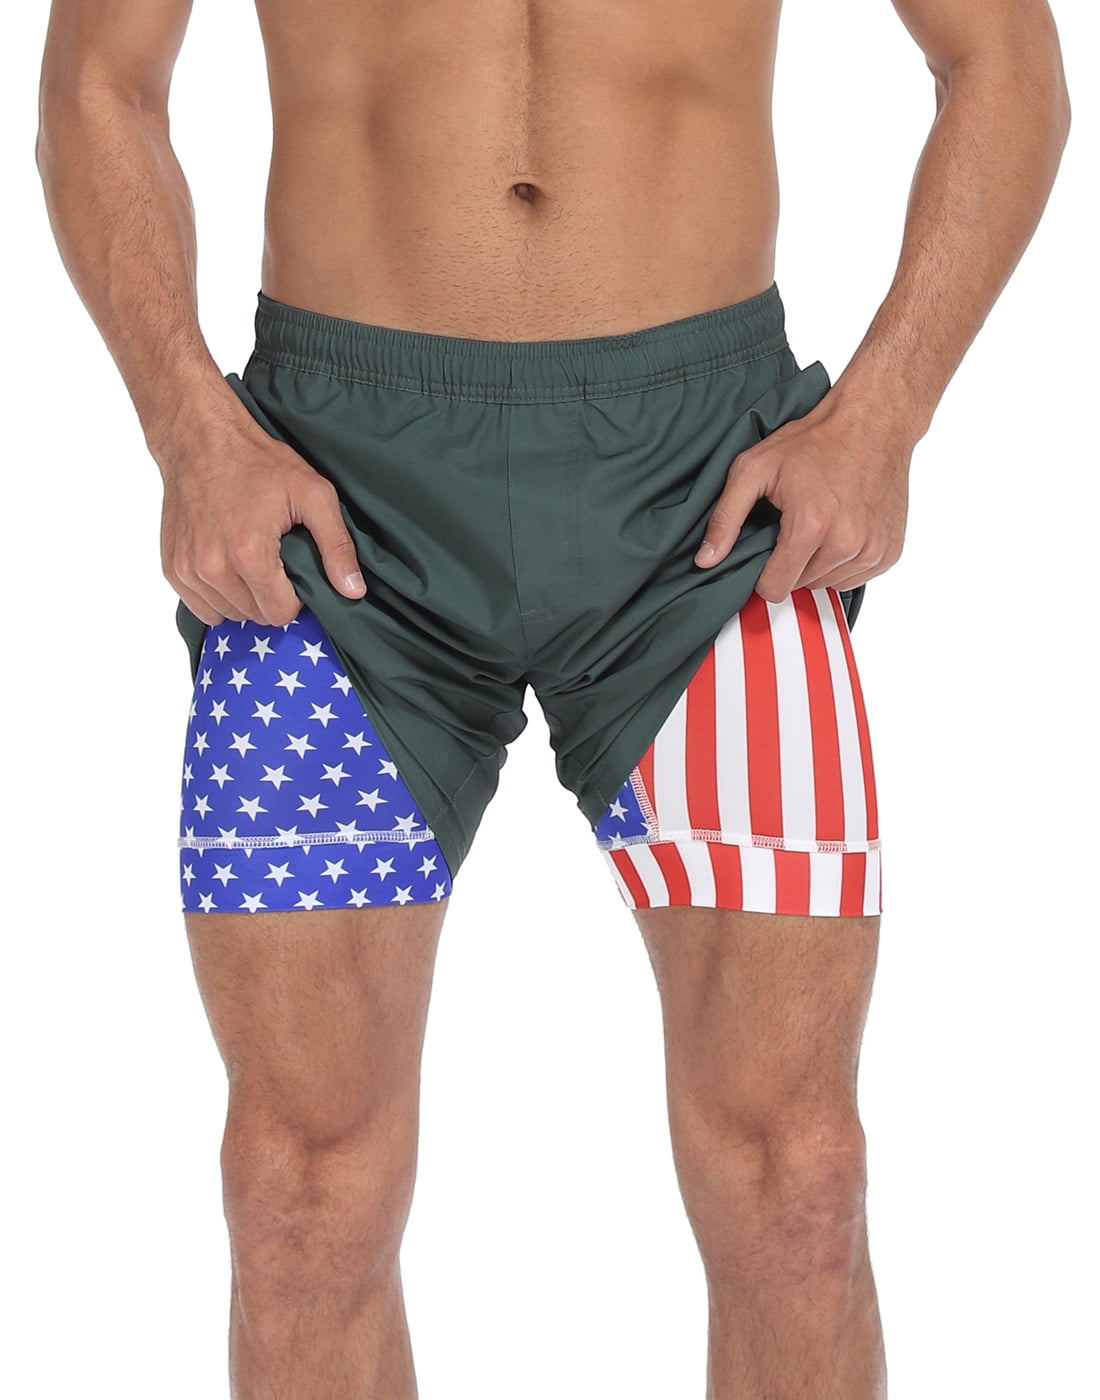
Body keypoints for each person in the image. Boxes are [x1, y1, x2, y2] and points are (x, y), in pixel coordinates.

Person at [35, 0, 1069, 1394]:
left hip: (706, 499)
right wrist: (187, 429)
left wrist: (886, 413)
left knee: (796, 1181)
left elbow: (1002, 61)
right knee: (296, 1194)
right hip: (335, 497)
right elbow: (102, 83)